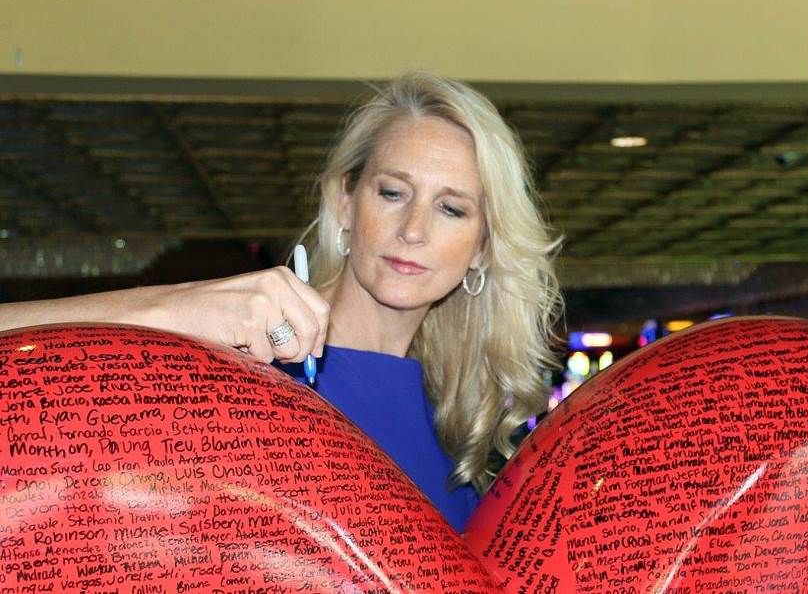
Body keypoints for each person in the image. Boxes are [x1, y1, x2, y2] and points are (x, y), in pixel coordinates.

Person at [0, 72, 564, 532]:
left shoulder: (454, 431)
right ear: (345, 203)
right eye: (392, 193)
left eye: (451, 209)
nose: (413, 229)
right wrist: (167, 314)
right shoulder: (255, 355)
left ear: (482, 247)